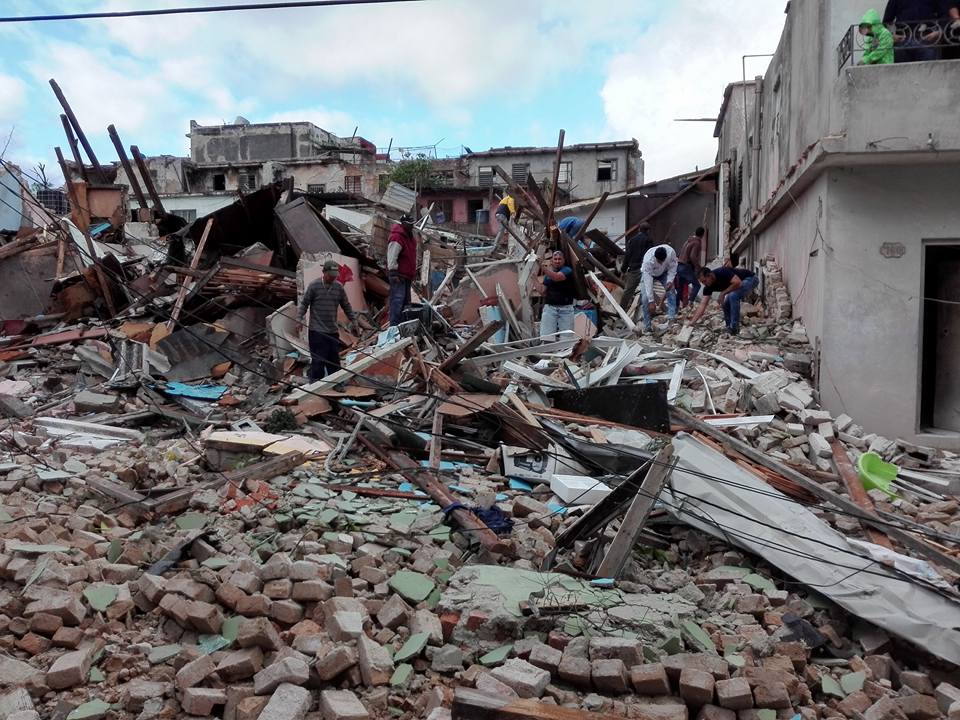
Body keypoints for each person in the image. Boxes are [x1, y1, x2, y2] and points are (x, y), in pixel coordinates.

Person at [297, 260, 357, 380]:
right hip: (317, 331)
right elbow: (304, 304)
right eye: (330, 275)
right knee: (318, 361)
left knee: (334, 361)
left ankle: (336, 384)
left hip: (332, 331)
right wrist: (299, 319)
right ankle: (316, 385)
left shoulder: (338, 287)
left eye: (334, 276)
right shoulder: (314, 286)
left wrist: (354, 321)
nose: (332, 278)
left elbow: (346, 305)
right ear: (324, 272)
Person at [690, 265, 759, 335]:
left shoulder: (722, 272)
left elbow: (738, 282)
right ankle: (729, 327)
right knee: (725, 304)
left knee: (733, 296)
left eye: (705, 281)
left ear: (710, 275)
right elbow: (702, 305)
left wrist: (723, 293)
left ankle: (734, 328)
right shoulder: (708, 287)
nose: (704, 284)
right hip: (738, 285)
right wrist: (692, 322)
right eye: (702, 282)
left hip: (750, 279)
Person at [387, 214, 417, 326]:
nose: (412, 226)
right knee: (397, 302)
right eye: (409, 224)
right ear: (403, 223)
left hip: (407, 275)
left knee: (406, 303)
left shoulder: (410, 237)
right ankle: (394, 327)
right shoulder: (397, 237)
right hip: (399, 276)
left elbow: (412, 256)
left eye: (412, 224)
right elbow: (392, 256)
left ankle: (403, 326)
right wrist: (393, 272)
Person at [639, 244, 678, 333]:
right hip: (649, 274)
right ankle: (647, 326)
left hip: (663, 273)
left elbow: (673, 267)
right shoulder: (648, 260)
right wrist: (651, 301)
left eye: (662, 261)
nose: (660, 263)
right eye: (658, 261)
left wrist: (669, 281)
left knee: (671, 291)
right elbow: (648, 280)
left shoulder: (671, 252)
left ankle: (671, 318)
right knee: (645, 299)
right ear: (655, 257)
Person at [540, 250, 575, 339]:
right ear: (552, 261)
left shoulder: (567, 270)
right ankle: (548, 352)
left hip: (566, 309)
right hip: (550, 308)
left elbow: (557, 277)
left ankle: (565, 353)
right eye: (555, 259)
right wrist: (533, 279)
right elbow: (542, 291)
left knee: (566, 339)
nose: (557, 261)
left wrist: (542, 267)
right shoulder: (548, 275)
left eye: (559, 259)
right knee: (546, 337)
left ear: (564, 260)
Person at [620, 222, 653, 312]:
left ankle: (620, 311)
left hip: (633, 270)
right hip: (644, 270)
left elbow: (627, 256)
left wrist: (623, 270)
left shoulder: (632, 240)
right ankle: (645, 312)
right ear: (648, 231)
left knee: (628, 292)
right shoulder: (649, 240)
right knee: (646, 292)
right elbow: (651, 256)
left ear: (639, 230)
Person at [676, 227, 705, 308]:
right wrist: (698, 267)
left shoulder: (688, 241)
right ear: (703, 235)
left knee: (680, 288)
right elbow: (692, 256)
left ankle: (676, 307)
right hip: (686, 266)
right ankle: (690, 303)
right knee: (697, 285)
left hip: (679, 266)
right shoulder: (697, 243)